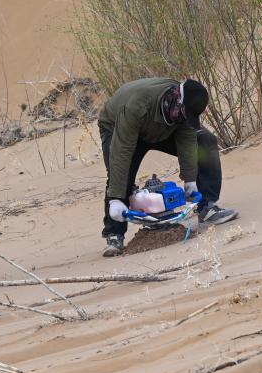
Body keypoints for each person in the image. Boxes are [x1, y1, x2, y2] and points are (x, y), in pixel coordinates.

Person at [99, 77, 237, 257]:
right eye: (185, 113)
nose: (186, 118)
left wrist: (190, 180)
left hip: (160, 130)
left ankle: (206, 208)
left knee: (204, 141)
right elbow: (121, 152)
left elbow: (188, 142)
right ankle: (114, 235)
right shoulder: (137, 106)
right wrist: (116, 199)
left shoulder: (183, 110)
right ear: (176, 100)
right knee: (120, 174)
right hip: (118, 127)